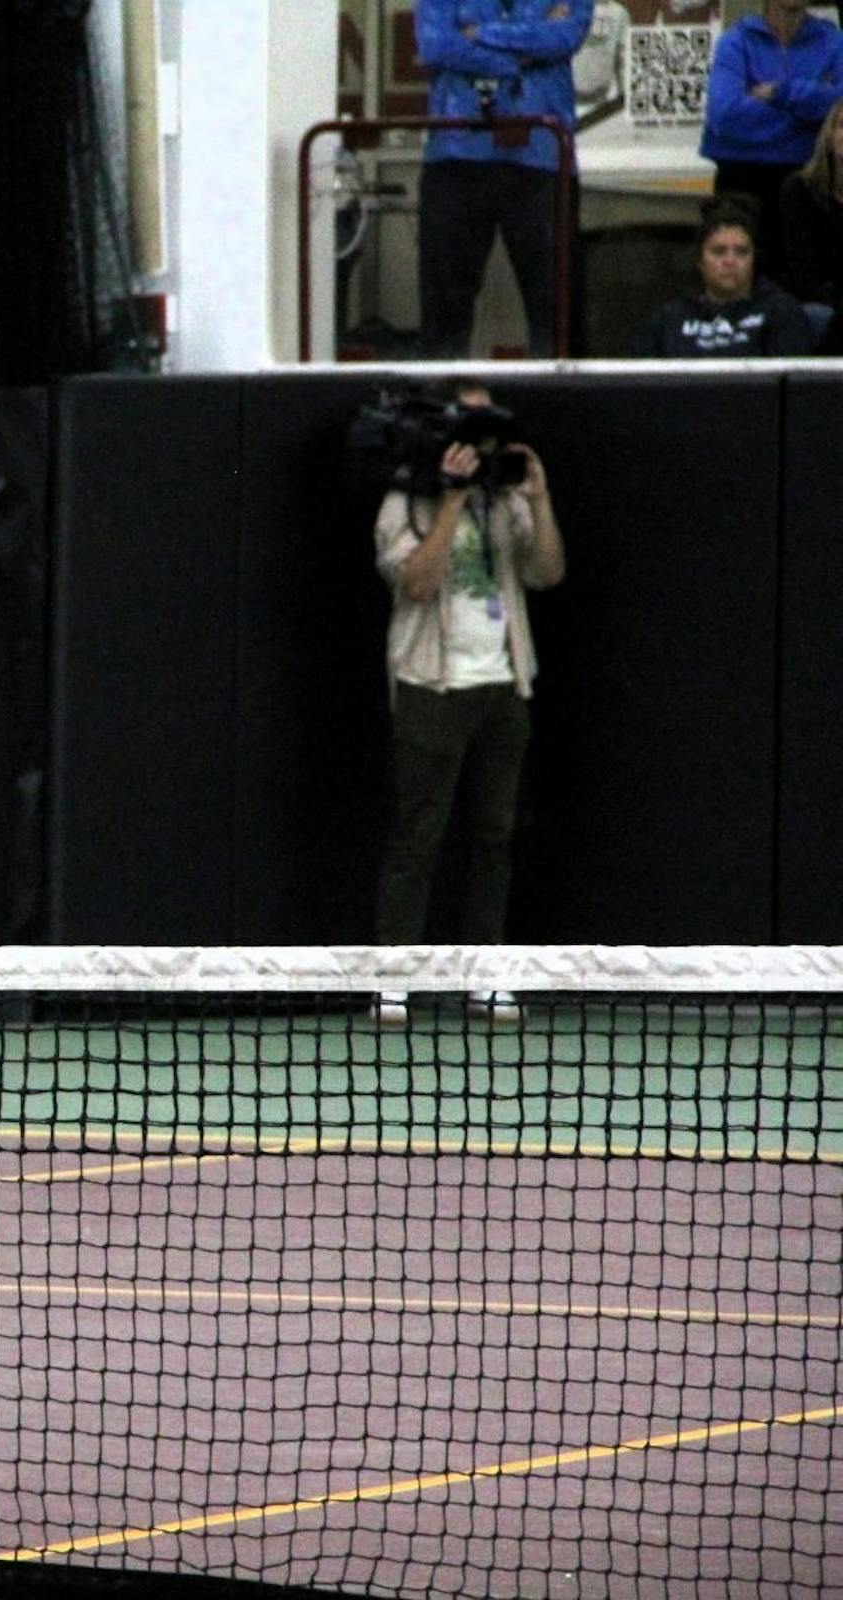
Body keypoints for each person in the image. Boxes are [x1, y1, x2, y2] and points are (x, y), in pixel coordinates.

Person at [370, 378, 566, 1027]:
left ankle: (485, 972)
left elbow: (547, 572)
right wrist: (451, 500)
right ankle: (393, 976)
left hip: (503, 686)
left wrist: (537, 502)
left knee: (495, 835)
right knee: (418, 832)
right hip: (433, 685)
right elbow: (417, 583)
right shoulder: (408, 503)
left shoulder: (504, 500)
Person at [411, 0, 591, 359]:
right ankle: (442, 407)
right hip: (456, 152)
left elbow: (564, 37)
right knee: (445, 311)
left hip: (543, 156)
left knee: (556, 311)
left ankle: (560, 407)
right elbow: (435, 45)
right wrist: (516, 61)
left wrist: (479, 35)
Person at [700, 0, 843, 293]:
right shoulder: (736, 42)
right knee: (739, 288)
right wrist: (810, 117)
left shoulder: (833, 41)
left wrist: (781, 92)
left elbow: (839, 108)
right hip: (742, 179)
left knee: (812, 289)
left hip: (811, 179)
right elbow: (724, 117)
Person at [637, 197, 815, 357]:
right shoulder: (669, 318)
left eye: (741, 252)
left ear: (754, 259)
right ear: (700, 260)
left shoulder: (782, 312)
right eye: (718, 251)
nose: (730, 261)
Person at [780, 97, 843, 338]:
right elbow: (802, 270)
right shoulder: (799, 189)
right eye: (842, 126)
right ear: (829, 135)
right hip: (820, 300)